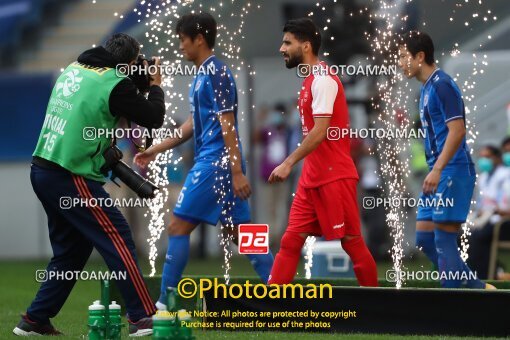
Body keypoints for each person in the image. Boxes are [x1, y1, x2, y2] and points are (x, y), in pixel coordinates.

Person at [14, 33, 165, 337]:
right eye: (135, 63)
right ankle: (141, 316)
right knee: (118, 236)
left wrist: (136, 81)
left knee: (71, 251)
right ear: (127, 63)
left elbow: (105, 97)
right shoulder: (114, 82)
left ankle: (34, 319)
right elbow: (153, 116)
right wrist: (156, 85)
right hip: (70, 175)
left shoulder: (75, 69)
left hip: (43, 169)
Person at [134, 13, 274, 310]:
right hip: (222, 164)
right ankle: (278, 288)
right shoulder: (203, 74)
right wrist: (156, 149)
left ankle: (163, 303)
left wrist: (236, 172)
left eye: (183, 40)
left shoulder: (217, 73)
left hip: (215, 164)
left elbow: (227, 125)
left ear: (199, 39)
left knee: (177, 226)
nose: (181, 46)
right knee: (243, 232)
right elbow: (193, 125)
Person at [266, 18, 378, 287]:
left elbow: (321, 131)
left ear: (305, 46)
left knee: (351, 242)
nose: (281, 48)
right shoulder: (309, 80)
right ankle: (270, 307)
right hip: (312, 178)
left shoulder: (324, 80)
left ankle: (379, 308)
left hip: (334, 177)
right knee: (290, 240)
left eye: (287, 42)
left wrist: (288, 163)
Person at [398, 31, 493, 289]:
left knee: (442, 239)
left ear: (420, 56)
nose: (399, 62)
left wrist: (438, 169)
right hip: (438, 171)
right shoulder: (427, 87)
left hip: (451, 170)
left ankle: (453, 309)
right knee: (425, 239)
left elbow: (458, 130)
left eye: (403, 56)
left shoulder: (442, 85)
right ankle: (477, 288)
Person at [468, 142, 510, 279]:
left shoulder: (506, 175)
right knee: (463, 235)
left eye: (488, 157)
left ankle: (485, 275)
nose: (484, 161)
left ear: (497, 158)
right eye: (482, 157)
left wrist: (494, 211)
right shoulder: (484, 177)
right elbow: (483, 203)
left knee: (479, 235)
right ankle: (473, 273)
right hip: (489, 219)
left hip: (503, 222)